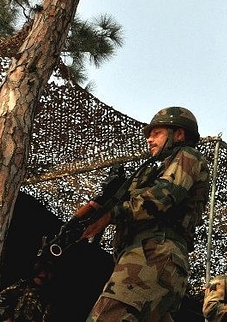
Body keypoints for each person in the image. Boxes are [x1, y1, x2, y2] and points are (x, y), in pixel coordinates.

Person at [82, 106, 210, 321]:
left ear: (179, 134)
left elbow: (163, 196)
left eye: (157, 133)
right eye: (149, 135)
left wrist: (113, 214)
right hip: (153, 256)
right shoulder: (154, 170)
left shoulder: (188, 156)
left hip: (155, 253)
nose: (149, 140)